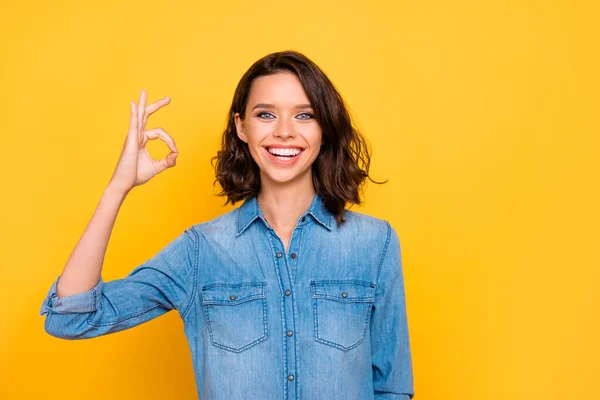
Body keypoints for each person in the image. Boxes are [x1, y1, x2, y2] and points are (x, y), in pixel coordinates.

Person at [39, 50, 414, 399]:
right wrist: (117, 187)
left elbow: (393, 387)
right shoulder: (201, 250)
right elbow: (71, 318)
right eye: (266, 114)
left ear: (324, 129)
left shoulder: (374, 243)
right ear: (241, 126)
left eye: (305, 114)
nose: (284, 131)